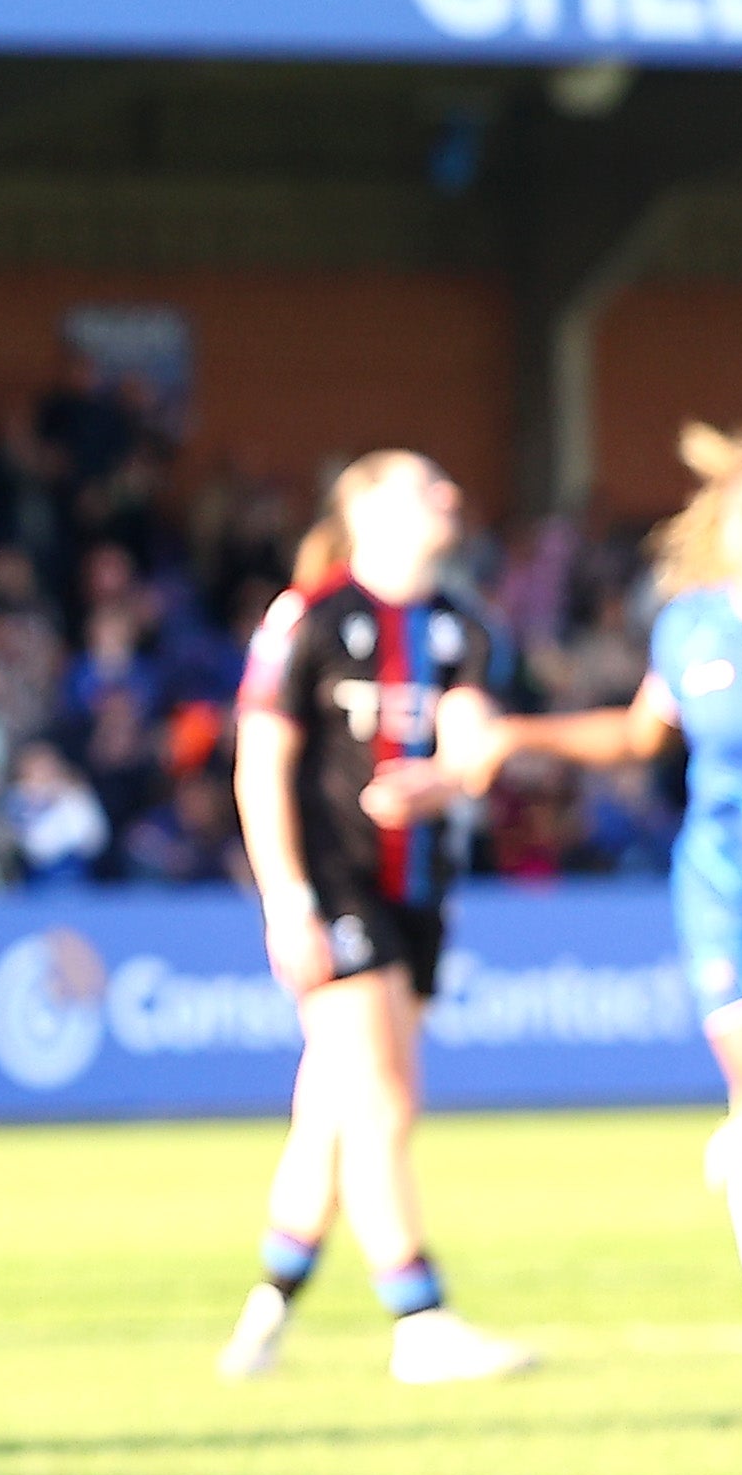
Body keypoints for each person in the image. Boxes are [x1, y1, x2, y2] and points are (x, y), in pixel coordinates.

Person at [498, 427, 742, 1385]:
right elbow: (641, 735)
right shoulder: (689, 628)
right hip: (729, 890)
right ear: (721, 528)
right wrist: (516, 734)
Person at [210, 451, 535, 1386]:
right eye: (428, 486)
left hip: (421, 893)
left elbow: (472, 742)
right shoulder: (308, 618)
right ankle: (420, 1320)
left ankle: (266, 1312)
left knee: (334, 1112)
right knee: (385, 1097)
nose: (451, 496)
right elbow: (259, 765)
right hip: (334, 886)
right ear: (368, 511)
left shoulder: (466, 623)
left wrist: (452, 776)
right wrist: (287, 902)